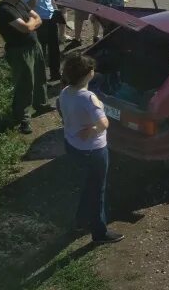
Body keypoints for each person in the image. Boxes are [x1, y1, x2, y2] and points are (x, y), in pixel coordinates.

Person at [57, 54, 124, 244]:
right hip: (93, 151)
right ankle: (99, 232)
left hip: (72, 145)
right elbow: (104, 123)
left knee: (87, 185)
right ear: (88, 74)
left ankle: (80, 220)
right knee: (98, 191)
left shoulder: (64, 92)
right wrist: (93, 128)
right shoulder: (88, 98)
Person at [0, 0, 54, 134]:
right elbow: (26, 27)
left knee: (40, 76)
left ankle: (41, 104)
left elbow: (37, 18)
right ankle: (23, 118)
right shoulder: (5, 10)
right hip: (19, 51)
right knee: (25, 83)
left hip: (34, 46)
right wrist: (32, 24)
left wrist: (31, 25)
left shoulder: (20, 4)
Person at [23, 0, 63, 81]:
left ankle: (55, 73)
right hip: (39, 22)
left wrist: (57, 13)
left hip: (51, 19)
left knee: (54, 47)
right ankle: (40, 76)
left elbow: (52, 1)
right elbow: (29, 7)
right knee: (41, 49)